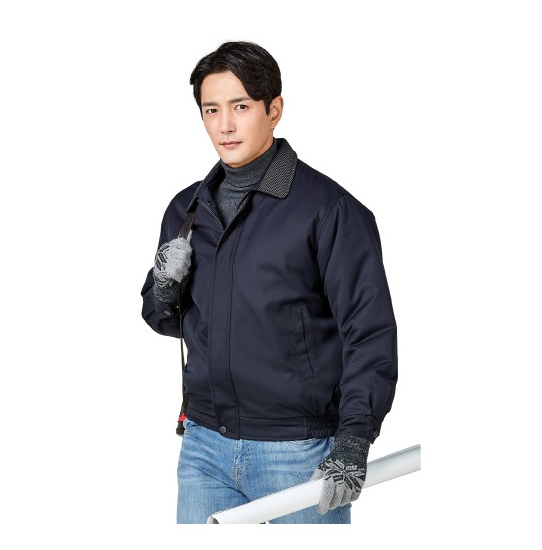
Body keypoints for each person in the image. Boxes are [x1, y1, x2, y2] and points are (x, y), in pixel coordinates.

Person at [140, 41, 398, 524]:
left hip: (297, 454)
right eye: (211, 110)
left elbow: (369, 333)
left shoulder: (329, 210)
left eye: (240, 107)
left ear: (273, 109)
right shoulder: (187, 210)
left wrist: (353, 440)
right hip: (203, 449)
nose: (225, 125)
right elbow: (165, 320)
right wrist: (164, 288)